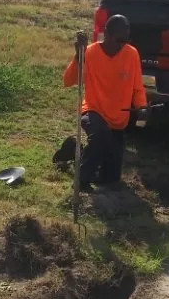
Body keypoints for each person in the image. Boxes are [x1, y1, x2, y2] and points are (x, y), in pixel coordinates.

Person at [60, 14, 147, 191]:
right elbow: (68, 81)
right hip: (93, 112)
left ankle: (73, 152)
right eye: (119, 40)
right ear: (106, 34)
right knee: (101, 135)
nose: (123, 45)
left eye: (126, 40)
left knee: (110, 178)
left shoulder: (131, 54)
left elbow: (138, 88)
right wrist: (79, 56)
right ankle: (81, 181)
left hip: (118, 122)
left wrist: (142, 107)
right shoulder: (90, 52)